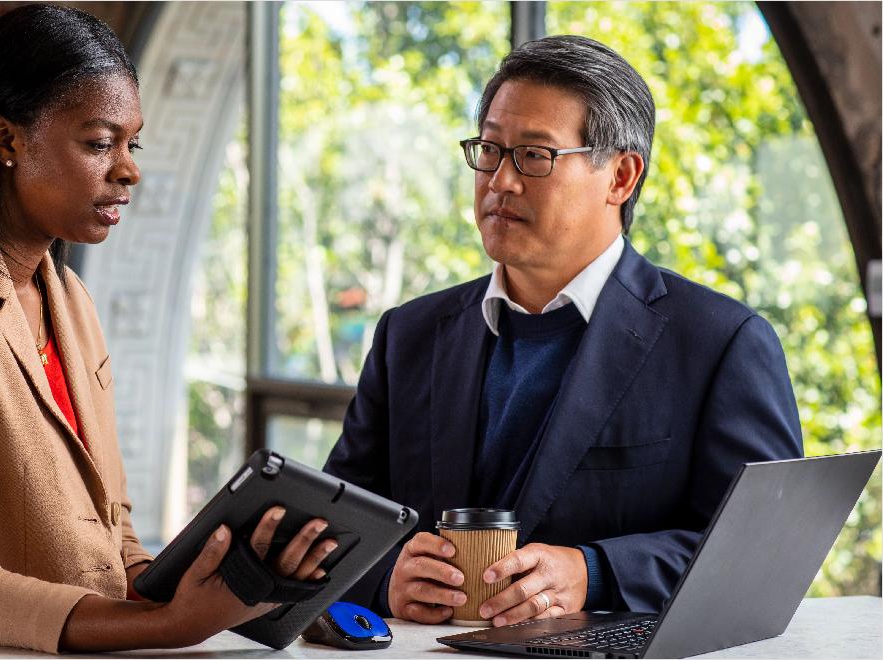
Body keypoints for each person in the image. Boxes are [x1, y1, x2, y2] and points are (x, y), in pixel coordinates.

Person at [0, 5, 335, 653]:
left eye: (132, 145)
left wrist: (230, 588)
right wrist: (173, 624)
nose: (129, 169)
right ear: (6, 141)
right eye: (100, 143)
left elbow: (113, 540)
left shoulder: (70, 299)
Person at [323, 35, 803, 628]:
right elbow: (333, 525)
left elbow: (764, 554)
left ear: (620, 177)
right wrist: (385, 576)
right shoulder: (410, 335)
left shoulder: (720, 343)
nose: (501, 181)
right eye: (490, 150)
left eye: (534, 156)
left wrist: (594, 572)